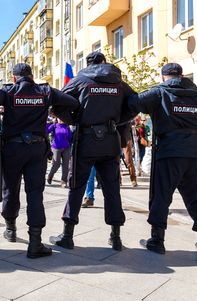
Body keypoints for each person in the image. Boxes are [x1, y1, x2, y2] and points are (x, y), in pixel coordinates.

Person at [125, 63, 197, 256]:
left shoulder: (158, 93)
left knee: (161, 196)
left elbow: (132, 102)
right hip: (196, 153)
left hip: (169, 151)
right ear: (183, 75)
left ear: (163, 77)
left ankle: (157, 240)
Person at [0, 63, 79, 259]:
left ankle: (10, 229)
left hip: (12, 148)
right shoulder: (45, 91)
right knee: (35, 193)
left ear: (14, 77)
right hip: (37, 148)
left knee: (10, 188)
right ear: (32, 76)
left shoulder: (7, 91)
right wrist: (55, 111)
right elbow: (73, 103)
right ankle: (35, 243)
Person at [50, 51, 136, 251]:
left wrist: (75, 120)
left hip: (86, 140)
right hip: (110, 141)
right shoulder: (118, 82)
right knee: (112, 189)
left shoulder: (80, 80)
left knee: (76, 186)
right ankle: (116, 238)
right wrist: (116, 121)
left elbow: (59, 103)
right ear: (104, 62)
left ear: (87, 64)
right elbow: (134, 105)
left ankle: (67, 235)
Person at [46, 118, 71, 188]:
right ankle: (50, 176)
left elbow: (70, 138)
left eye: (61, 118)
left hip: (66, 148)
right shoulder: (54, 126)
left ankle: (64, 181)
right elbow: (47, 131)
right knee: (56, 164)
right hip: (56, 147)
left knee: (66, 165)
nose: (60, 119)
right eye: (59, 118)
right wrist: (47, 123)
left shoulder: (67, 126)